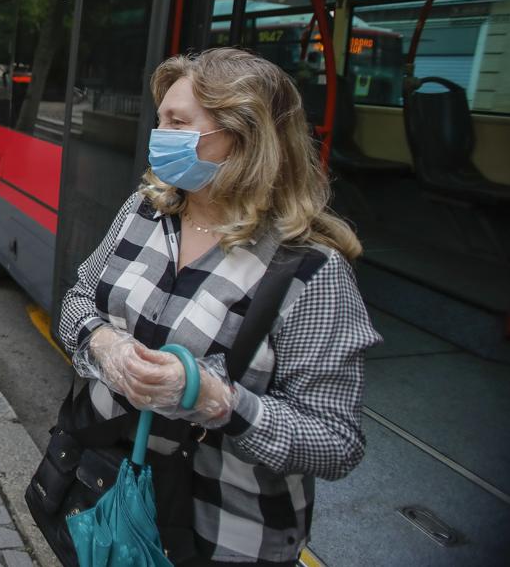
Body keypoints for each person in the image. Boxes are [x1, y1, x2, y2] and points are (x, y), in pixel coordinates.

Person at [58, 48, 381, 566]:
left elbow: (337, 442)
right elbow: (77, 300)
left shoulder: (313, 272)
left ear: (245, 135)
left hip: (224, 540)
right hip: (105, 501)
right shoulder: (145, 209)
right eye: (161, 119)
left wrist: (218, 402)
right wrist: (103, 342)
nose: (158, 135)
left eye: (177, 122)